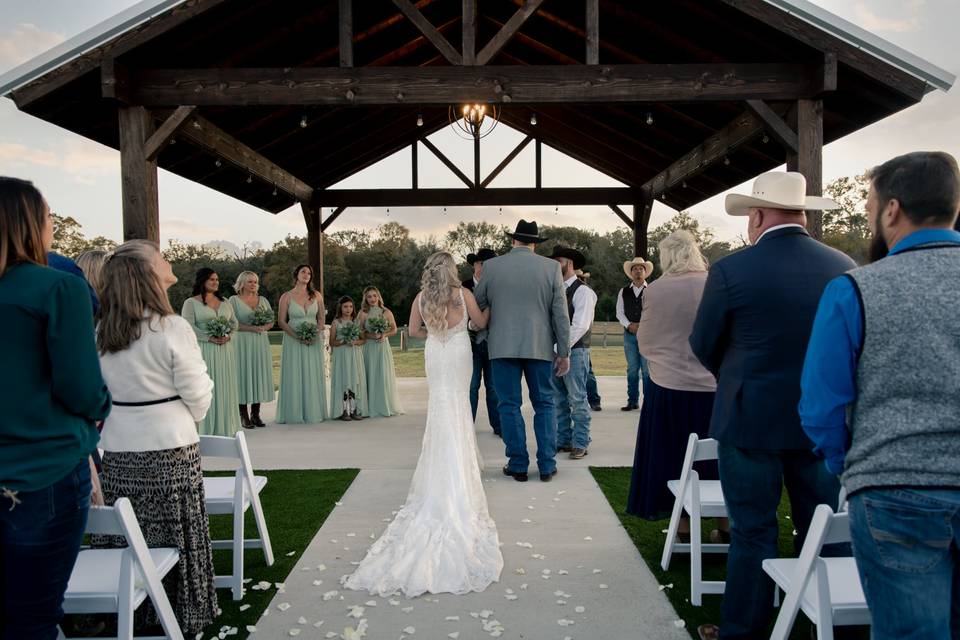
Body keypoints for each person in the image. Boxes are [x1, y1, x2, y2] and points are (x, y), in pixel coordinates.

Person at [689, 171, 856, 640]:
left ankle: (743, 629)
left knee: (752, 529)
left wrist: (739, 377)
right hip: (822, 421)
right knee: (821, 526)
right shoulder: (843, 265)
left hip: (749, 420)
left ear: (757, 216)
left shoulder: (731, 270)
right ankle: (829, 622)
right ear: (803, 213)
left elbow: (703, 344)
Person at [800, 151, 960, 640]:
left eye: (869, 205)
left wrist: (845, 461)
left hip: (893, 487)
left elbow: (821, 403)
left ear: (892, 210)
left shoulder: (855, 289)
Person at [343, 251, 502, 596]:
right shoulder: (465, 295)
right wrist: (485, 311)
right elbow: (481, 323)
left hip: (436, 352)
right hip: (459, 352)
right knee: (459, 404)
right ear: (451, 271)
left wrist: (436, 331)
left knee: (441, 407)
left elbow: (413, 330)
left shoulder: (421, 298)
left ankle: (441, 473)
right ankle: (459, 471)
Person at [0, 177, 111, 639]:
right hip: (41, 471)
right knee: (33, 618)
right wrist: (99, 409)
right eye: (48, 218)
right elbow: (82, 388)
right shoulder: (58, 288)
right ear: (30, 224)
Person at [95, 240, 218, 635]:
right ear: (147, 273)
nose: (168, 260)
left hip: (119, 445)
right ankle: (183, 610)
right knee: (178, 528)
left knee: (134, 528)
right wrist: (190, 416)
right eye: (160, 256)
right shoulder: (171, 327)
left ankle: (135, 612)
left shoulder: (103, 330)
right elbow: (198, 393)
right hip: (170, 446)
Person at [627, 231, 724, 540]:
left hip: (670, 388)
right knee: (718, 458)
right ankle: (726, 527)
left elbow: (646, 341)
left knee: (673, 457)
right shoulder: (716, 284)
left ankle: (683, 529)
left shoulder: (656, 291)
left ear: (667, 257)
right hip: (714, 388)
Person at [475, 220, 571, 483]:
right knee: (545, 404)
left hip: (501, 347)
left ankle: (518, 464)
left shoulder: (492, 267)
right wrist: (563, 352)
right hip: (540, 347)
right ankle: (547, 466)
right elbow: (560, 314)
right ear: (534, 243)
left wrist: (484, 334)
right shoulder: (551, 267)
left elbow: (478, 302)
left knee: (508, 405)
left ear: (512, 241)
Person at [548, 246, 596, 461]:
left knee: (577, 398)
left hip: (575, 352)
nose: (555, 264)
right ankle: (564, 439)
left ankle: (581, 442)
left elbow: (580, 325)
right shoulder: (553, 289)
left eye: (558, 260)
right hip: (553, 351)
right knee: (558, 399)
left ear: (569, 263)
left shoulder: (583, 291)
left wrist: (560, 349)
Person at [181, 268, 241, 436]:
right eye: (211, 279)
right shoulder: (190, 303)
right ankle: (206, 428)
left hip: (225, 350)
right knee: (206, 388)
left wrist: (228, 336)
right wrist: (209, 338)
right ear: (202, 281)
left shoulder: (225, 302)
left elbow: (234, 323)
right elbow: (188, 327)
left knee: (225, 385)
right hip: (204, 350)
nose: (216, 282)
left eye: (217, 279)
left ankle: (225, 425)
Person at [276, 264, 328, 423]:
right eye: (303, 272)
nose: (306, 274)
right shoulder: (286, 296)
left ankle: (313, 411)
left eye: (309, 273)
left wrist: (315, 334)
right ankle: (294, 412)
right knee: (295, 373)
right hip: (293, 340)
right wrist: (298, 336)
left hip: (313, 340)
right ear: (296, 274)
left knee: (312, 372)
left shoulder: (317, 296)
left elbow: (321, 318)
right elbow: (281, 321)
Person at [229, 271, 275, 428]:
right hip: (242, 343)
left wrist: (264, 326)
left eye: (255, 281)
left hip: (260, 343)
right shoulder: (233, 301)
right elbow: (232, 323)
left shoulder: (263, 300)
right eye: (250, 281)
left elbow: (271, 321)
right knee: (243, 375)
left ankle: (256, 414)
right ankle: (243, 416)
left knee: (258, 374)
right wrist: (251, 328)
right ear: (241, 283)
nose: (253, 284)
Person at [463, 248, 501, 435]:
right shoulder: (462, 287)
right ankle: (468, 426)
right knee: (471, 386)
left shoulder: (498, 287)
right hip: (469, 345)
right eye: (483, 264)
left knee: (494, 387)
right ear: (476, 264)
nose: (487, 268)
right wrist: (470, 324)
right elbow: (455, 315)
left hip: (493, 343)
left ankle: (498, 425)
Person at [357, 286, 403, 418]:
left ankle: (383, 405)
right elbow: (359, 332)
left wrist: (384, 335)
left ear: (378, 297)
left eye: (374, 296)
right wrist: (370, 336)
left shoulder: (386, 312)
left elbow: (394, 329)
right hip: (368, 348)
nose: (372, 299)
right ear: (365, 298)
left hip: (382, 347)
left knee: (382, 375)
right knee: (369, 374)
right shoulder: (363, 313)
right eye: (369, 296)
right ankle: (369, 406)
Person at [617, 256, 653, 411]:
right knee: (632, 369)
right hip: (629, 335)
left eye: (641, 268)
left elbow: (655, 312)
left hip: (647, 335)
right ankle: (632, 401)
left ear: (645, 272)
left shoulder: (652, 290)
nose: (638, 271)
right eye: (635, 268)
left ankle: (649, 403)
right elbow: (619, 312)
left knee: (646, 370)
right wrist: (629, 325)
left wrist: (643, 325)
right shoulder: (624, 291)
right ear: (631, 272)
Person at [330, 295, 368, 421]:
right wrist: (343, 341)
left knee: (354, 380)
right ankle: (343, 410)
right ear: (340, 308)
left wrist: (355, 342)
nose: (348, 309)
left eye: (351, 306)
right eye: (345, 306)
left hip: (354, 355)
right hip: (342, 356)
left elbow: (363, 340)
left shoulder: (356, 322)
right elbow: (332, 342)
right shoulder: (336, 323)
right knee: (344, 380)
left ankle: (355, 409)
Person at [577, 269, 602, 412]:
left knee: (588, 372)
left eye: (581, 277)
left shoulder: (587, 293)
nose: (580, 279)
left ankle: (594, 400)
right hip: (580, 336)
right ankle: (592, 400)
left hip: (582, 338)